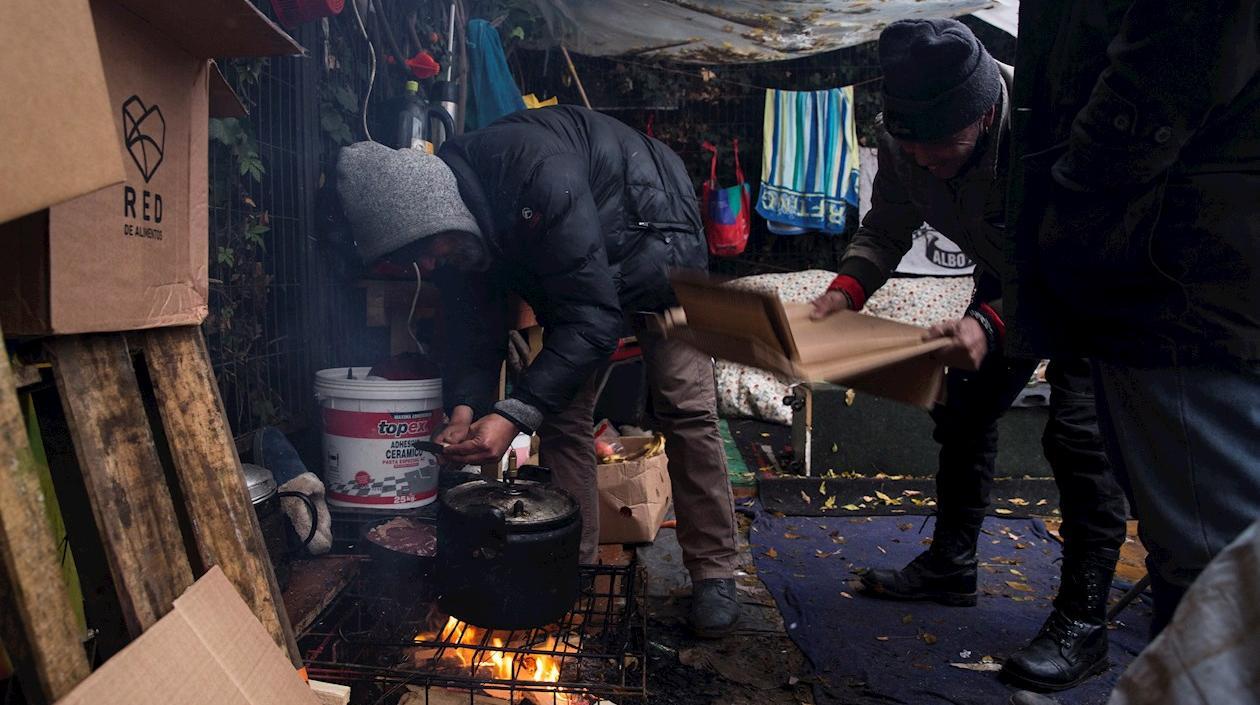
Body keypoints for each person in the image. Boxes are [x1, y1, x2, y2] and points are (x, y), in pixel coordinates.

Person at [334, 106, 741, 637]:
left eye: (421, 251)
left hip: (657, 234)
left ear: (435, 216)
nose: (425, 268)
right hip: (586, 264)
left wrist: (512, 416)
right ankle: (577, 567)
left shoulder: (535, 173)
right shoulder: (461, 225)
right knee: (564, 416)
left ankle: (714, 572)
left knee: (685, 410)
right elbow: (473, 330)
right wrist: (466, 407)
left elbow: (592, 319)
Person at [810, 19, 1129, 692]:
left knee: (1080, 437)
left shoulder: (1053, 128)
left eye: (941, 151)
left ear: (985, 114)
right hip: (1005, 279)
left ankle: (1083, 622)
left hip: (1093, 283)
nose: (925, 161)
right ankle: (952, 564)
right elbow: (888, 220)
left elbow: (1076, 242)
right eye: (912, 148)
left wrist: (991, 319)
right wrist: (848, 288)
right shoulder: (908, 145)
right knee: (961, 404)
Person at [1006, 0, 1260, 638]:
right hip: (1145, 277)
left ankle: (1084, 618)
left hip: (1180, 279)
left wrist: (1080, 189)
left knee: (1215, 575)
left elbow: (1178, 55)